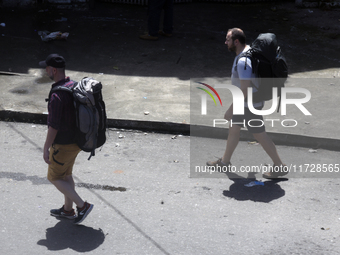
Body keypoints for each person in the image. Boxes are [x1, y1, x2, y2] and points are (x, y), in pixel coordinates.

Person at [206, 28, 287, 179]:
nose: (225, 42)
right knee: (234, 129)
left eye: (228, 39)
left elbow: (244, 90)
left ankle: (279, 165)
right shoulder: (248, 51)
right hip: (246, 103)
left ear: (236, 42)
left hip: (249, 104)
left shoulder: (243, 61)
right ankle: (225, 162)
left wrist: (230, 109)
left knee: (260, 135)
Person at [40, 54, 93, 224]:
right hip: (77, 141)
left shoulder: (57, 96)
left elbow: (53, 125)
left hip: (63, 145)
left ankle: (82, 205)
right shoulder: (74, 86)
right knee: (66, 175)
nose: (45, 70)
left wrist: (46, 147)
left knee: (54, 177)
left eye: (46, 68)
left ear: (53, 70)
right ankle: (68, 210)